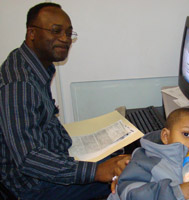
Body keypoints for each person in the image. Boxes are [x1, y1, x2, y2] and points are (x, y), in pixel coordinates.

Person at [0, 3, 130, 200]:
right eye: (56, 31)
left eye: (69, 33)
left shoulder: (29, 63)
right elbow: (29, 159)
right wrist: (96, 171)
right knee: (131, 177)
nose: (65, 39)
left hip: (54, 159)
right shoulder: (19, 84)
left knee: (124, 160)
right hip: (32, 186)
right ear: (32, 33)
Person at [108, 108, 189, 200]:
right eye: (186, 134)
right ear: (165, 136)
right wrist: (176, 192)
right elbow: (131, 194)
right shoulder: (145, 161)